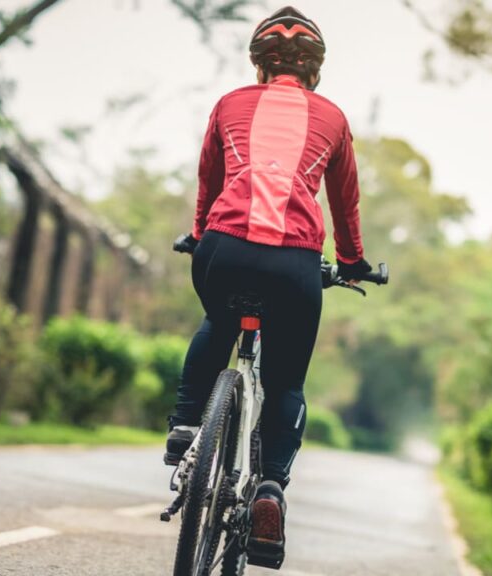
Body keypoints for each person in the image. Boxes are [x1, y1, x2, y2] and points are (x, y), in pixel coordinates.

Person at [165, 5, 370, 560]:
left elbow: (209, 183)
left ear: (259, 66)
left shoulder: (230, 104)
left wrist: (197, 233)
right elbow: (344, 205)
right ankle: (271, 487)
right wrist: (351, 262)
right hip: (294, 266)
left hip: (222, 251)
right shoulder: (332, 118)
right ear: (314, 71)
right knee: (286, 382)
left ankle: (185, 427)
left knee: (218, 319)